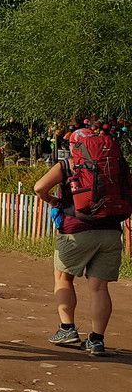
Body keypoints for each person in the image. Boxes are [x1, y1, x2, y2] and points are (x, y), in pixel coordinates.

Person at [33, 119, 131, 357]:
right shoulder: (116, 164)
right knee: (99, 288)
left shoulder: (68, 164)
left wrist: (53, 200)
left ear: (75, 145)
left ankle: (67, 329)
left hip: (76, 230)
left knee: (63, 278)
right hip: (111, 231)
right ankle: (96, 340)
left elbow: (39, 187)